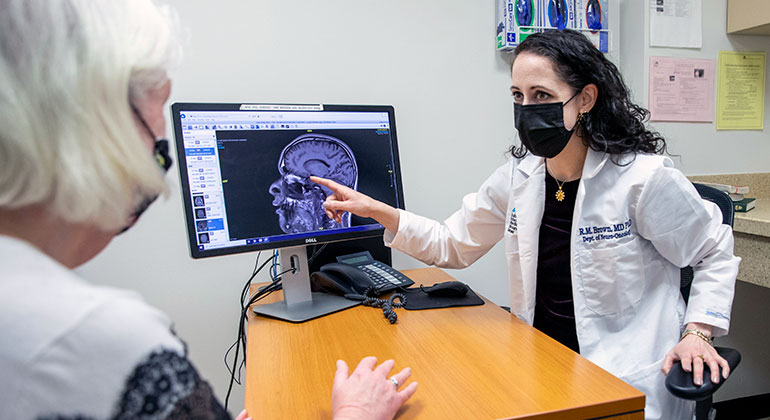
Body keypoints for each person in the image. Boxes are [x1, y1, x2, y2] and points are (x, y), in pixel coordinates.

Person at [0, 1, 416, 419]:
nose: (162, 139)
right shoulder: (100, 341)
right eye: (158, 108)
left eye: (296, 185)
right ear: (96, 127)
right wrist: (358, 412)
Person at [312, 29, 738, 420]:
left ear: (585, 100)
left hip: (623, 376)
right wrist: (377, 210)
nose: (527, 110)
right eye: (518, 96)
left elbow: (713, 251)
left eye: (541, 95)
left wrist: (698, 333)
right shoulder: (520, 177)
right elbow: (453, 244)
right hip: (546, 364)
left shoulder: (641, 179)